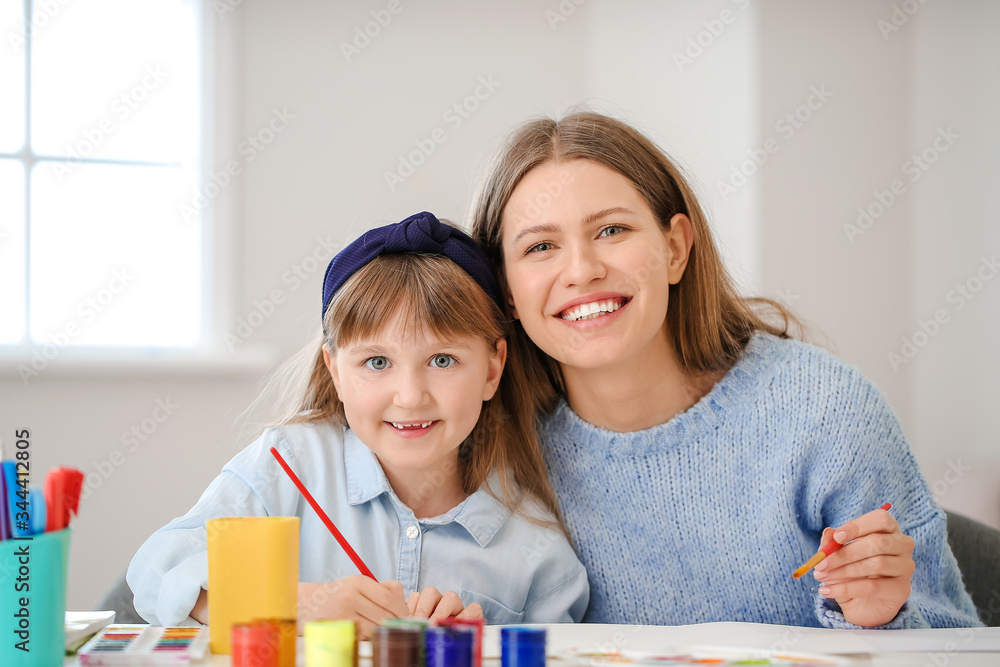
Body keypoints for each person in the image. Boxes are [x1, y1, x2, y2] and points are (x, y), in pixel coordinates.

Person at [469, 112, 982, 629]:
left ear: (675, 249)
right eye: (540, 246)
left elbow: (959, 647)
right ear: (507, 289)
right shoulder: (494, 450)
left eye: (612, 229)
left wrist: (884, 620)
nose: (581, 270)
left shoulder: (825, 410)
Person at [126, 212, 588, 637]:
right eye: (377, 361)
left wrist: (482, 649)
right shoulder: (287, 467)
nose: (410, 396)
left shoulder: (535, 551)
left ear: (491, 369)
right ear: (335, 371)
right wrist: (294, 605)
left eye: (442, 359)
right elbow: (155, 572)